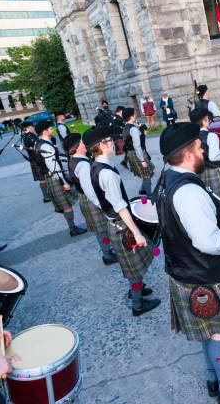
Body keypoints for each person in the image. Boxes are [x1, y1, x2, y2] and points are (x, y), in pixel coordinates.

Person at [156, 123, 220, 403]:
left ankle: (214, 377)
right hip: (208, 274)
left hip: (183, 271)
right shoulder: (189, 192)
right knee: (219, 332)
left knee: (205, 330)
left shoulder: (166, 179)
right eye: (199, 148)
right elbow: (208, 241)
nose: (203, 151)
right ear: (188, 155)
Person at [85, 127, 160, 317]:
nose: (113, 142)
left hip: (114, 224)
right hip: (122, 226)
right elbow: (119, 206)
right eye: (109, 140)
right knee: (134, 267)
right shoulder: (107, 174)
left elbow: (97, 198)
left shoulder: (95, 167)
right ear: (100, 145)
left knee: (132, 265)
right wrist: (135, 232)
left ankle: (137, 289)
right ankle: (137, 304)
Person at [63, 134, 117, 265]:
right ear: (76, 147)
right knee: (102, 230)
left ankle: (107, 252)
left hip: (86, 199)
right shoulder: (83, 165)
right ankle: (107, 254)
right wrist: (102, 204)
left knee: (101, 229)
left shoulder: (75, 159)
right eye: (81, 142)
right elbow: (89, 188)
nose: (84, 144)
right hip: (91, 200)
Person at [34, 120, 87, 237]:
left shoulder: (39, 143)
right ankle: (73, 229)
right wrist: (63, 182)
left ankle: (72, 227)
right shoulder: (46, 146)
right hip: (55, 177)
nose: (52, 130)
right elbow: (54, 166)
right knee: (67, 205)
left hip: (50, 177)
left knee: (66, 204)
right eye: (50, 129)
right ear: (44, 131)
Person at [190, 108, 220, 209]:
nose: (209, 120)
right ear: (204, 121)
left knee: (209, 206)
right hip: (214, 173)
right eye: (207, 118)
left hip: (199, 173)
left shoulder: (191, 136)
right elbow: (214, 157)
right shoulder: (211, 136)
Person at [122, 107, 155, 196]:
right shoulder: (133, 129)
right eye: (134, 114)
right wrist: (142, 160)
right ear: (132, 116)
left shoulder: (126, 127)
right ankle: (149, 195)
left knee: (151, 170)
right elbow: (137, 146)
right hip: (138, 153)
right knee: (147, 173)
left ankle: (142, 189)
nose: (136, 115)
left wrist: (142, 133)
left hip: (132, 153)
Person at [20, 121, 51, 203]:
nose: (33, 128)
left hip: (40, 158)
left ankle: (49, 194)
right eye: (31, 127)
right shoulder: (26, 137)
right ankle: (46, 197)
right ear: (26, 129)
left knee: (47, 176)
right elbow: (31, 149)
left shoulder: (32, 135)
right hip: (36, 160)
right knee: (42, 178)